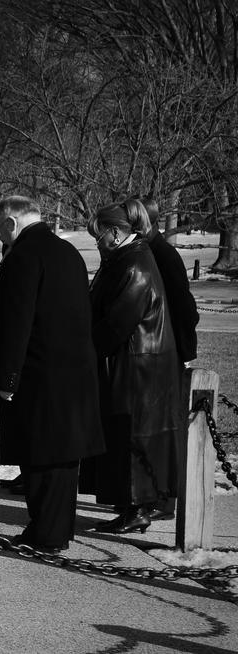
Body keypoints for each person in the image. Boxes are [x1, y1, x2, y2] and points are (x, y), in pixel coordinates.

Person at [0, 197, 105, 554]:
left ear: (11, 223)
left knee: (39, 458)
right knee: (63, 461)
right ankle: (56, 530)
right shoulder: (69, 252)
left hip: (38, 373)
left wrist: (7, 380)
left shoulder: (22, 256)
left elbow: (17, 323)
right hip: (74, 372)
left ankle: (45, 534)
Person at [81, 201, 181, 534]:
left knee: (130, 436)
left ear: (115, 232)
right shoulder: (126, 258)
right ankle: (128, 507)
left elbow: (118, 322)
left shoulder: (135, 263)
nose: (97, 241)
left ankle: (136, 508)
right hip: (131, 364)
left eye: (99, 234)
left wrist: (87, 347)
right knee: (122, 437)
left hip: (137, 368)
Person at [128, 198, 199, 521]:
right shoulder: (147, 251)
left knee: (159, 430)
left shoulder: (162, 254)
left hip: (162, 350)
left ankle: (159, 500)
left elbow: (185, 307)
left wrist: (182, 352)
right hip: (154, 348)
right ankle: (144, 497)